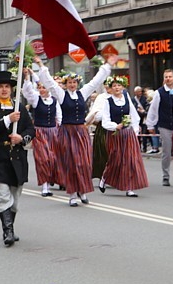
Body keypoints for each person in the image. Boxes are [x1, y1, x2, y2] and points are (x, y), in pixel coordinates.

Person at [35, 54, 116, 207]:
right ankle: (72, 194)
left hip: (81, 132)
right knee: (72, 163)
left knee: (84, 163)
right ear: (65, 84)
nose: (72, 85)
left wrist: (107, 66)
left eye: (74, 82)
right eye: (70, 82)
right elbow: (50, 83)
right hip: (67, 132)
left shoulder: (82, 93)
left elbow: (95, 81)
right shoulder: (61, 95)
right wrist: (41, 66)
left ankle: (83, 191)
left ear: (78, 83)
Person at [0, 71, 35, 247]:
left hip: (17, 157)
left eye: (7, 87)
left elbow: (30, 130)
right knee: (3, 197)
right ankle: (8, 231)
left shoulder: (19, 107)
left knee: (14, 200)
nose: (4, 90)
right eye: (0, 87)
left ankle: (10, 227)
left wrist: (21, 138)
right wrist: (7, 120)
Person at [98, 76, 149, 197]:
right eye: (114, 86)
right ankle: (105, 178)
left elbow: (134, 116)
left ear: (123, 87)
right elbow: (105, 121)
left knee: (130, 160)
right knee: (115, 160)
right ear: (111, 88)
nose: (117, 88)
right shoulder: (108, 101)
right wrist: (115, 126)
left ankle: (129, 187)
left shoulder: (126, 99)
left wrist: (135, 130)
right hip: (114, 134)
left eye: (119, 85)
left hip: (128, 133)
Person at [23, 68, 62, 197]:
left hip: (53, 132)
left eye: (43, 87)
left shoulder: (55, 101)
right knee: (43, 159)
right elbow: (27, 91)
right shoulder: (36, 99)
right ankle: (45, 185)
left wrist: (61, 130)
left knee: (53, 158)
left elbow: (59, 117)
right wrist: (27, 77)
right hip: (40, 132)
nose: (41, 89)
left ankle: (52, 178)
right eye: (39, 87)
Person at [146, 69, 173, 186]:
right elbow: (153, 109)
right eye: (166, 77)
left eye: (170, 77)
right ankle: (166, 176)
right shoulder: (159, 92)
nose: (168, 79)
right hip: (164, 125)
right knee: (167, 151)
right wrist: (150, 124)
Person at [132, 86, 151, 153]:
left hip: (144, 119)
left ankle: (145, 147)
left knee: (144, 133)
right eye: (138, 91)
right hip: (136, 119)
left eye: (140, 91)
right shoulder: (133, 100)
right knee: (137, 134)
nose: (140, 93)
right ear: (135, 92)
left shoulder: (145, 99)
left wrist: (143, 111)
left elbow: (147, 107)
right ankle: (138, 147)